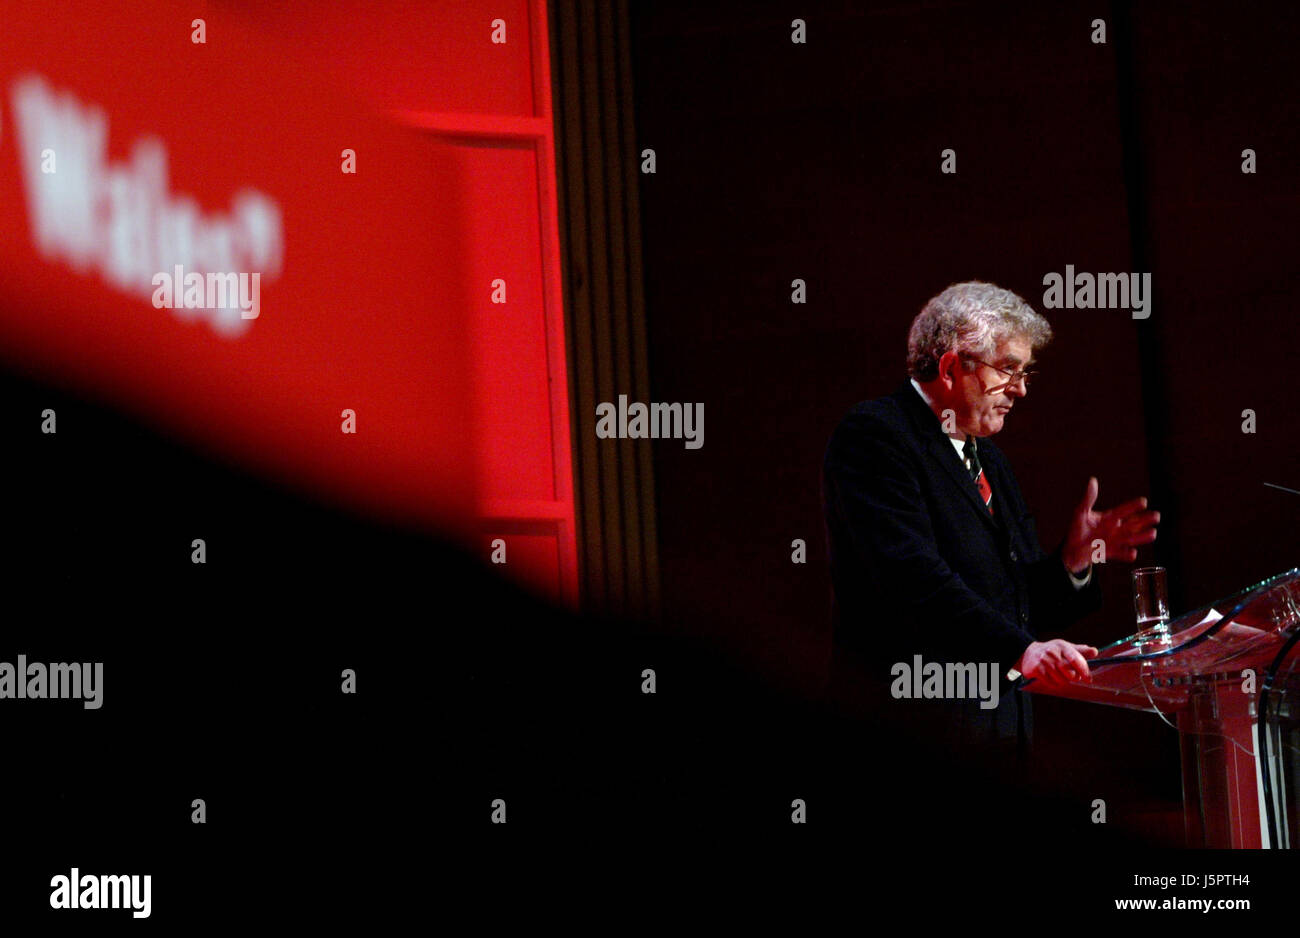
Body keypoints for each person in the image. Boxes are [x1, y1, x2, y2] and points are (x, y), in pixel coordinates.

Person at [822, 281, 1159, 750]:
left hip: (998, 729)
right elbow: (912, 579)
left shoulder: (990, 461)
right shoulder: (877, 437)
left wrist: (1072, 563)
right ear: (951, 367)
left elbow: (1017, 604)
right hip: (911, 726)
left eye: (1025, 373)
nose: (1020, 390)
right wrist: (1021, 651)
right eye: (1007, 369)